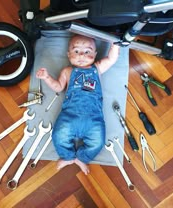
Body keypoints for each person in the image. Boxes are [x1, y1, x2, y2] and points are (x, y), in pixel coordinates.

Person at [36, 35, 119, 174]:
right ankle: (68, 157)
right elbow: (58, 87)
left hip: (94, 118)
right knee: (58, 136)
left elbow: (111, 59)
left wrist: (115, 45)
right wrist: (46, 77)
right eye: (76, 51)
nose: (81, 55)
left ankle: (81, 158)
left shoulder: (97, 69)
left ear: (95, 54)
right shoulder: (67, 71)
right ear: (68, 55)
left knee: (97, 143)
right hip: (69, 116)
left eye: (87, 52)